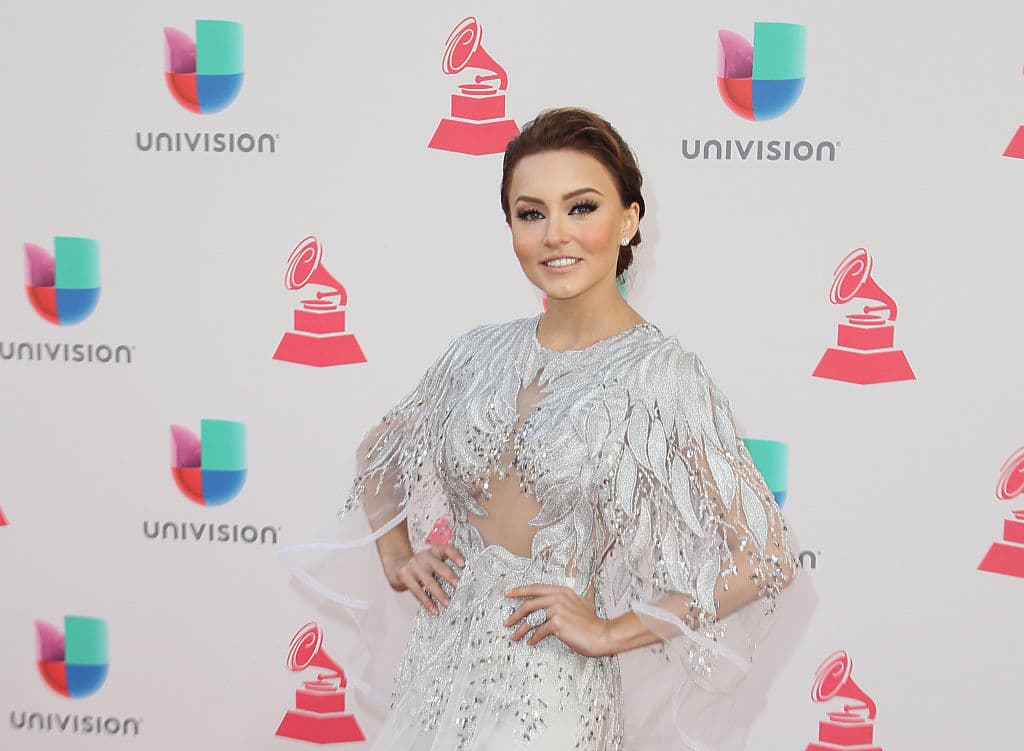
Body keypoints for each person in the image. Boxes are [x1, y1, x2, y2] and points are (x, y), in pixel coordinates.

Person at [291, 107, 798, 751]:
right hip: (437, 674)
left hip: (549, 696)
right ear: (511, 228)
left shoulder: (661, 375)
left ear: (629, 219)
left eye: (581, 207)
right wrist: (398, 556)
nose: (556, 234)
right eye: (531, 213)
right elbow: (379, 451)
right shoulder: (477, 352)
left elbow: (764, 557)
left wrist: (613, 630)